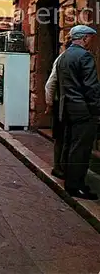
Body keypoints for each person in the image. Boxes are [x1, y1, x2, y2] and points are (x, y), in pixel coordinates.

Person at [57, 25, 100, 200]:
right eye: (90, 38)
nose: (91, 41)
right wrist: (96, 110)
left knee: (70, 144)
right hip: (83, 110)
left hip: (67, 108)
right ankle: (76, 186)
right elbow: (91, 87)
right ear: (83, 38)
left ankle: (68, 178)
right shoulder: (84, 56)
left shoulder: (63, 56)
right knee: (81, 148)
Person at [45, 35, 71, 180]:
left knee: (61, 137)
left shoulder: (62, 58)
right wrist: (49, 103)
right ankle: (60, 167)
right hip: (62, 105)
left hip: (61, 104)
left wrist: (49, 103)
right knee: (62, 137)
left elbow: (50, 84)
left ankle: (60, 166)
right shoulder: (62, 59)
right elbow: (51, 84)